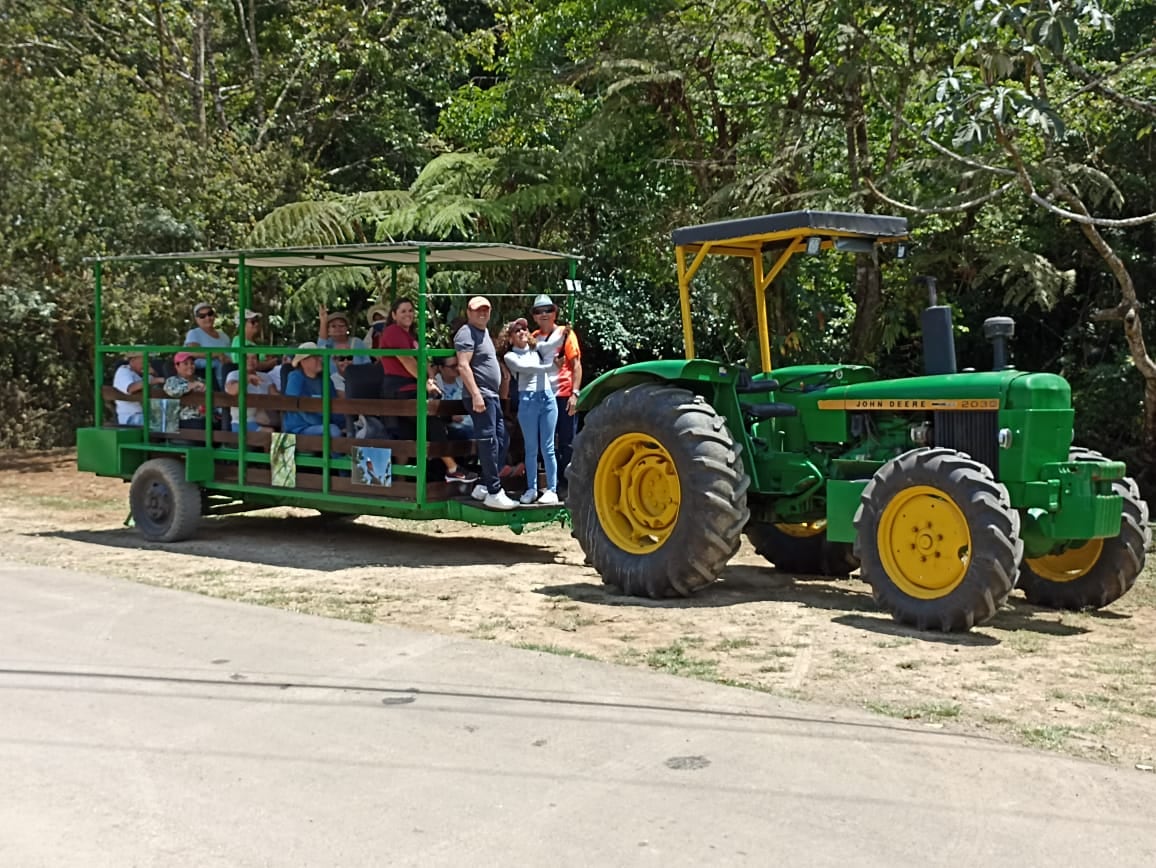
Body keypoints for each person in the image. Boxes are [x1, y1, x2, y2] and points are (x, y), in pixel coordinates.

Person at [374, 298, 478, 484]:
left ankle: (402, 479)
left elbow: (426, 362)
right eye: (403, 311)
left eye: (410, 311)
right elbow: (408, 363)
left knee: (409, 434)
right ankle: (452, 468)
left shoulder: (412, 336)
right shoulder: (392, 332)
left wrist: (430, 378)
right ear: (394, 315)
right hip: (400, 389)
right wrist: (426, 383)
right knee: (432, 422)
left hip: (413, 388)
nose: (408, 314)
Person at [456, 296, 517, 510]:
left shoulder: (484, 334)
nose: (482, 313)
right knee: (489, 441)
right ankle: (493, 491)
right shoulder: (466, 332)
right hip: (480, 396)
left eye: (485, 310)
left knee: (502, 439)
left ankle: (483, 486)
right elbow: (463, 365)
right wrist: (476, 394)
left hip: (490, 396)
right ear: (469, 312)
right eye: (477, 310)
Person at [503, 320, 561, 506]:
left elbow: (553, 343)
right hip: (528, 401)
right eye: (516, 330)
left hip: (547, 398)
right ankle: (531, 489)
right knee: (531, 448)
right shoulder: (510, 356)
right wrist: (551, 367)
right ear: (510, 337)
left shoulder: (538, 349)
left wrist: (565, 330)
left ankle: (552, 490)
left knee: (548, 447)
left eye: (524, 329)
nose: (521, 332)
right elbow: (527, 369)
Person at [530, 294, 582, 491]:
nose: (544, 314)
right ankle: (551, 483)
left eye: (548, 310)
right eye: (539, 311)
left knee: (567, 440)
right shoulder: (532, 338)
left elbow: (576, 365)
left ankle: (568, 484)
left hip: (563, 394)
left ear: (555, 312)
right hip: (541, 395)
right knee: (545, 441)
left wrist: (575, 394)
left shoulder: (566, 334)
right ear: (534, 316)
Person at [281, 342, 343, 438]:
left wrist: (343, 425)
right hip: (297, 429)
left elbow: (335, 406)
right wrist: (324, 423)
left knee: (351, 432)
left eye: (319, 356)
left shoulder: (325, 380)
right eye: (315, 357)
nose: (320, 359)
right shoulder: (295, 377)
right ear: (303, 361)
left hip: (322, 426)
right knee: (333, 430)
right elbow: (297, 407)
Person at [225, 352, 280, 433]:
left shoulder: (265, 376)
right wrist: (248, 379)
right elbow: (232, 390)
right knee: (271, 433)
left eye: (254, 358)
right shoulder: (234, 374)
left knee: (287, 430)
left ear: (257, 361)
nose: (250, 361)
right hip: (243, 422)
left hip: (266, 419)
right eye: (247, 358)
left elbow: (275, 395)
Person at [184, 301, 232, 388]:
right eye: (202, 316)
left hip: (226, 372)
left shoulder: (224, 336)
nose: (207, 318)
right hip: (204, 374)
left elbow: (231, 355)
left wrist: (227, 359)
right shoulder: (194, 333)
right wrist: (217, 354)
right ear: (196, 319)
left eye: (210, 314)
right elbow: (193, 352)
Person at [113, 352, 163, 426]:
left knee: (170, 419)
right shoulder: (124, 371)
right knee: (165, 422)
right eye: (144, 362)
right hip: (131, 417)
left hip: (144, 415)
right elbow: (130, 388)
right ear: (132, 361)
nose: (148, 364)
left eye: (149, 361)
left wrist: (153, 374)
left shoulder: (141, 374)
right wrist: (154, 380)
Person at [318, 305, 369, 376]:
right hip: (333, 385)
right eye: (333, 326)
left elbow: (367, 363)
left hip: (357, 383)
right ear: (328, 329)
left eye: (341, 325)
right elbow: (321, 345)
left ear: (347, 328)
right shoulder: (328, 344)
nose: (338, 328)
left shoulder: (357, 342)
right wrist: (323, 321)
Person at [164, 351, 208, 429]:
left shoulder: (201, 380)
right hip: (182, 419)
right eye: (186, 363)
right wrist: (191, 385)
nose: (190, 366)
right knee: (200, 425)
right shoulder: (172, 380)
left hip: (203, 417)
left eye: (192, 363)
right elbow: (173, 391)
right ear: (177, 366)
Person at [433, 355, 473, 440]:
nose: (457, 368)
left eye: (458, 365)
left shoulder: (464, 381)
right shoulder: (434, 385)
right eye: (452, 366)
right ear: (441, 368)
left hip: (468, 422)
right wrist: (450, 418)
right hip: (448, 426)